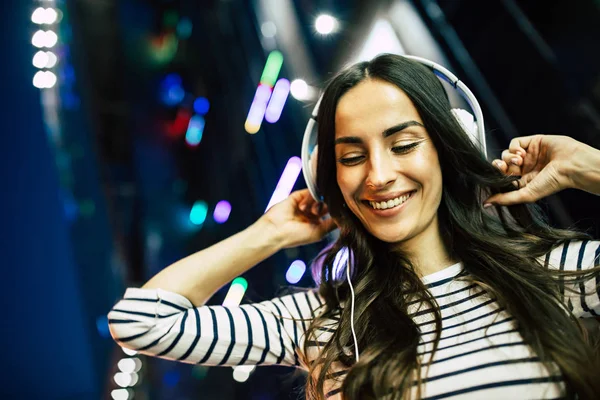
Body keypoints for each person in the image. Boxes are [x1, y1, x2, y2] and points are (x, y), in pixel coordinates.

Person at [108, 54, 600, 400]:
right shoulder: (323, 320)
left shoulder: (549, 272)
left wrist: (587, 168)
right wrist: (272, 231)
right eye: (351, 156)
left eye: (403, 144)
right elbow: (141, 323)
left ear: (448, 150)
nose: (379, 175)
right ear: (332, 181)